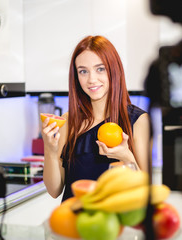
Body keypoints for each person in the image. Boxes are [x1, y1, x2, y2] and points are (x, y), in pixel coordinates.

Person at [41, 35, 151, 202]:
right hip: (72, 222)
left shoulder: (139, 120)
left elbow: (145, 192)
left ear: (114, 70)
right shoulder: (68, 121)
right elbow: (54, 190)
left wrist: (126, 157)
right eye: (83, 71)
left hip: (115, 224)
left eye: (100, 69)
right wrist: (49, 149)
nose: (91, 79)